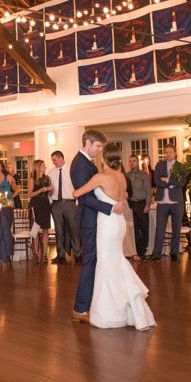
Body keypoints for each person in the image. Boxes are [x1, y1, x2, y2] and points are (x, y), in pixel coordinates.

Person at [72, 150, 155, 331]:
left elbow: (76, 193)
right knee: (117, 260)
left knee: (106, 264)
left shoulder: (101, 177)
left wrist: (84, 189)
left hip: (107, 225)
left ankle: (110, 312)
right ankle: (131, 308)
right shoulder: (121, 176)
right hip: (120, 223)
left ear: (104, 159)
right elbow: (124, 196)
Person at [71, 130, 116, 324]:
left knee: (93, 261)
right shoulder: (80, 164)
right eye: (97, 146)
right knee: (89, 262)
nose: (99, 151)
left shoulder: (86, 162)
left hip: (93, 218)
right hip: (88, 221)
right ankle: (80, 309)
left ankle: (88, 305)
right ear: (87, 143)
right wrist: (111, 208)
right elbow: (85, 197)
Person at [150, 144, 186, 262]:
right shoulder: (159, 165)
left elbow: (181, 182)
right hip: (162, 202)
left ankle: (174, 253)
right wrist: (171, 184)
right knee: (160, 229)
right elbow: (157, 181)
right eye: (166, 152)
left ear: (175, 153)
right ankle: (156, 254)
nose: (167, 154)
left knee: (176, 228)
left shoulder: (181, 167)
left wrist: (168, 180)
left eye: (170, 152)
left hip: (176, 202)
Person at [48, 151, 79, 265]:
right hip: (56, 204)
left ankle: (78, 253)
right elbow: (50, 191)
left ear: (61, 158)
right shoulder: (51, 173)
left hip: (70, 203)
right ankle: (61, 255)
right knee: (58, 230)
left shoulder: (72, 170)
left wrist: (77, 203)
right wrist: (51, 203)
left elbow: (78, 187)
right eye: (52, 160)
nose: (53, 162)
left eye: (54, 160)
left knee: (74, 228)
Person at [125, 155, 152, 260]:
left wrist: (147, 204)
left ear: (138, 162)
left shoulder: (144, 175)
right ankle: (135, 251)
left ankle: (143, 250)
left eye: (134, 161)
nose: (132, 163)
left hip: (142, 204)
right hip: (131, 204)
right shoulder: (126, 175)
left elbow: (149, 192)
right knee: (134, 229)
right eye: (130, 161)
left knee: (144, 228)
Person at [29, 159, 52, 263]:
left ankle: (45, 254)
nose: (45, 167)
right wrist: (40, 190)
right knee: (35, 230)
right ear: (38, 167)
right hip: (36, 205)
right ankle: (37, 254)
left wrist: (50, 189)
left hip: (46, 205)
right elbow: (30, 194)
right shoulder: (32, 179)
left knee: (45, 230)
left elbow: (51, 194)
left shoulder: (47, 178)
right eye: (43, 165)